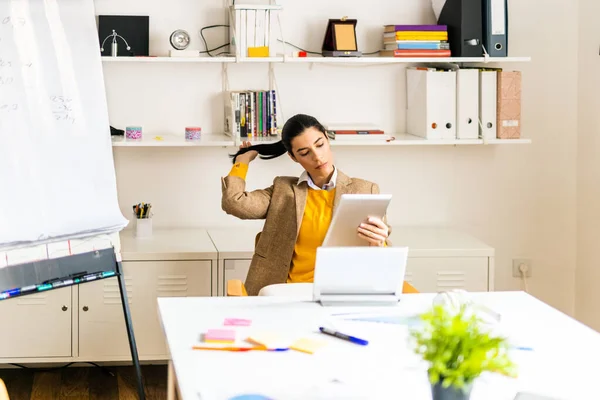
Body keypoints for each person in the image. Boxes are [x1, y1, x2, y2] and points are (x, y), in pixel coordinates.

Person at [221, 113, 391, 295]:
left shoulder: (365, 189)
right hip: (284, 293)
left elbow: (380, 256)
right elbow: (234, 202)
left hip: (340, 293)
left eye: (320, 145)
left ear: (327, 138)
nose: (317, 157)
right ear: (293, 157)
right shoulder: (283, 190)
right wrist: (242, 162)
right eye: (304, 153)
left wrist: (379, 243)